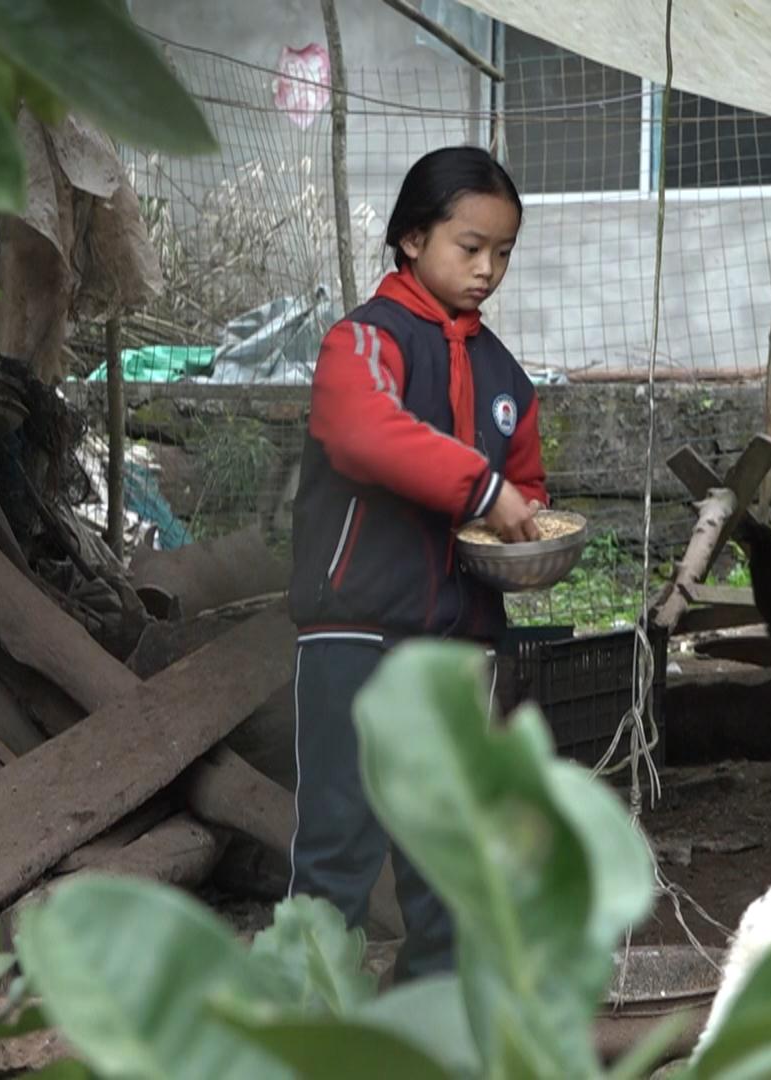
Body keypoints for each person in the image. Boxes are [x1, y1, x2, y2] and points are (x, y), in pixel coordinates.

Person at [286, 145, 548, 982]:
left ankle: (431, 1033)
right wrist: (484, 492)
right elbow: (365, 434)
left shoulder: (505, 375)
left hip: (459, 644)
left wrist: (526, 527)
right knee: (340, 846)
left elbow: (528, 490)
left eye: (503, 252)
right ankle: (307, 1028)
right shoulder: (364, 341)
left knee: (448, 860)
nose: (488, 270)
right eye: (469, 247)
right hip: (355, 636)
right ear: (409, 239)